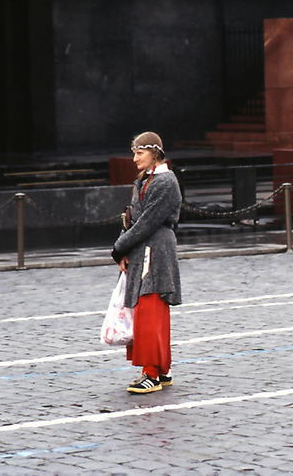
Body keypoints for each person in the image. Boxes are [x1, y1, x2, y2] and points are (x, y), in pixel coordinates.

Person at [111, 132, 182, 394]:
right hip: (143, 248)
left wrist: (119, 248)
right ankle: (161, 370)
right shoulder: (144, 180)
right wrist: (124, 250)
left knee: (151, 310)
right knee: (145, 310)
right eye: (134, 152)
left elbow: (147, 223)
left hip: (156, 248)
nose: (134, 158)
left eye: (139, 153)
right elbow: (132, 220)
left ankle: (152, 372)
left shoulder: (165, 182)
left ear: (154, 153)